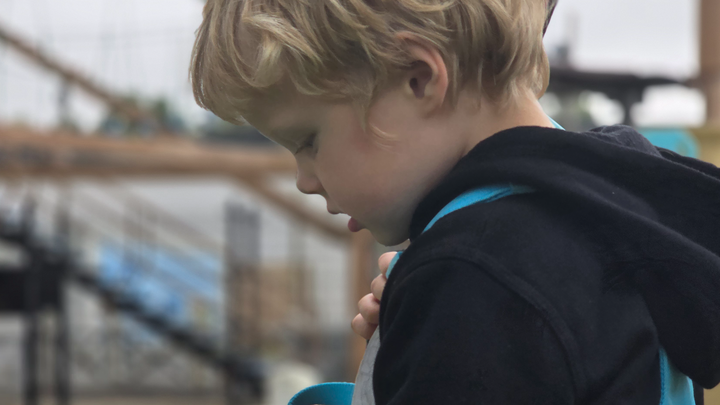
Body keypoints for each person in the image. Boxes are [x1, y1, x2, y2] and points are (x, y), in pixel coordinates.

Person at [189, 0, 720, 403]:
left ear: (419, 79)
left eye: (308, 141)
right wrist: (411, 351)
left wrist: (448, 317)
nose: (304, 180)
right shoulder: (617, 206)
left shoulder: (477, 275)